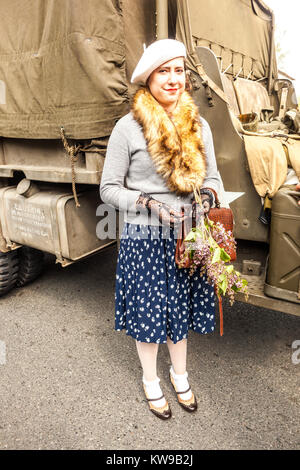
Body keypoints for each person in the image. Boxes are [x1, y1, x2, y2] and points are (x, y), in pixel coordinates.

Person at [100, 39, 221, 420]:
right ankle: (151, 380)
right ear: (148, 77)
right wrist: (150, 204)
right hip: (145, 238)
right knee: (150, 313)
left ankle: (180, 374)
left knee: (180, 310)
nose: (173, 79)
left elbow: (214, 176)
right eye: (163, 71)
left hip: (189, 235)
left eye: (179, 70)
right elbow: (108, 189)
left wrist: (208, 197)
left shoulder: (199, 125)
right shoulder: (127, 128)